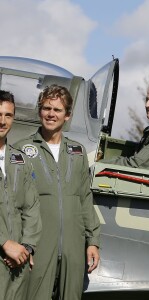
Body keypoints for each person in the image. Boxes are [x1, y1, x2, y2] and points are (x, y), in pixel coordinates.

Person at [14, 85, 101, 300]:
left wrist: (93, 241)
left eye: (58, 110)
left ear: (67, 115)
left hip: (73, 247)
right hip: (37, 248)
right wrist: (23, 245)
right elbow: (13, 205)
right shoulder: (20, 151)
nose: (51, 114)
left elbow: (85, 199)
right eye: (46, 108)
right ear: (39, 111)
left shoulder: (78, 152)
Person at [0, 90, 41, 300]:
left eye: (8, 115)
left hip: (18, 261)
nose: (2, 121)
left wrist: (26, 248)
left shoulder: (20, 160)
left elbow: (31, 207)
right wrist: (5, 244)